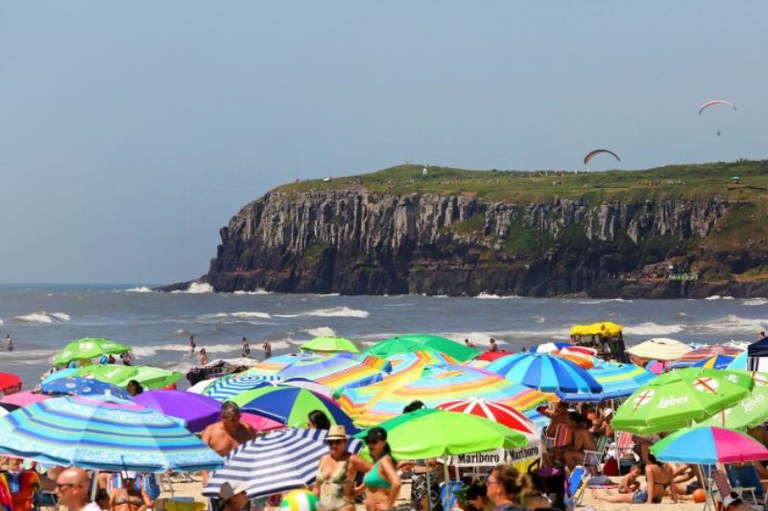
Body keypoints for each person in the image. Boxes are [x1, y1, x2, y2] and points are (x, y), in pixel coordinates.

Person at [312, 425, 369, 511]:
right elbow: (316, 488)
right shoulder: (323, 459)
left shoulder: (352, 459)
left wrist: (358, 490)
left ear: (345, 441)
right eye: (331, 442)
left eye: (337, 442)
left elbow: (375, 471)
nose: (334, 445)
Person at [201, 402, 257, 485]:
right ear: (223, 418)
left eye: (238, 417)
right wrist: (205, 476)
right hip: (219, 476)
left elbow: (256, 451)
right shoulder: (211, 431)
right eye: (232, 419)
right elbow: (202, 456)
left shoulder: (247, 429)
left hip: (243, 475)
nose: (236, 422)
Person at [594, 453, 677, 504]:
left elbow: (651, 485)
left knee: (619, 498)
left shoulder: (650, 467)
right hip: (658, 499)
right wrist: (675, 499)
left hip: (646, 496)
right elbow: (672, 484)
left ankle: (601, 497)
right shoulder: (669, 468)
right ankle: (609, 493)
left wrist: (648, 501)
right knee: (624, 496)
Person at [361, 427, 401, 511]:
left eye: (374, 442)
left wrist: (388, 505)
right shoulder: (377, 462)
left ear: (384, 443)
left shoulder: (384, 460)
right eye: (368, 442)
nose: (370, 445)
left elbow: (396, 483)